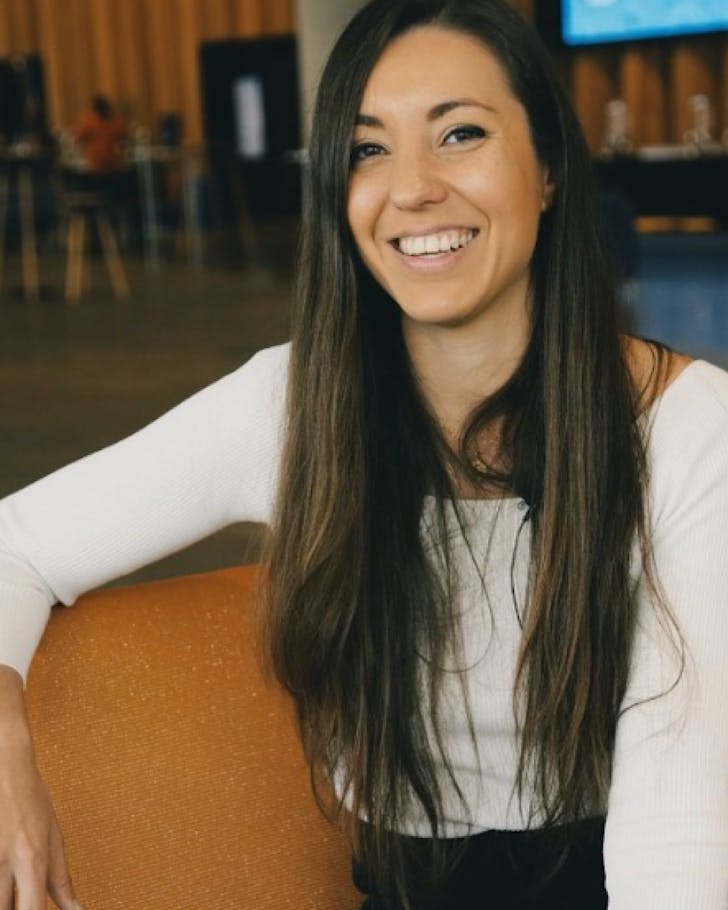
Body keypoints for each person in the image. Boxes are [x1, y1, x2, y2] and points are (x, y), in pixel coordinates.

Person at [1, 1, 727, 908]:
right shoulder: (298, 402)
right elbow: (15, 544)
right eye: (367, 149)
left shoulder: (683, 427)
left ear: (546, 168)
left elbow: (680, 838)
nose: (412, 187)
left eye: (460, 133)